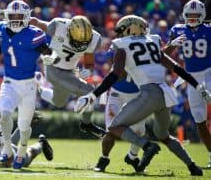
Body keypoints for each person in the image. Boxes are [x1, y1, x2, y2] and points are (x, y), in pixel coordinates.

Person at [75, 15, 211, 176]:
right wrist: (198, 86)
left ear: (131, 28)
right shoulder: (152, 41)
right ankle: (192, 166)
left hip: (148, 94)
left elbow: (115, 74)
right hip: (166, 94)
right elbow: (176, 68)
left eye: (122, 30)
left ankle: (146, 146)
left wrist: (92, 95)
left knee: (114, 127)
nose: (119, 34)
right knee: (164, 135)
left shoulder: (121, 45)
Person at [0, 0, 55, 169]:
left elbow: (46, 51)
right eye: (13, 16)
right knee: (4, 115)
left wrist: (50, 57)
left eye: (20, 16)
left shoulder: (34, 33)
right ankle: (7, 149)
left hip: (28, 86)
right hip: (9, 83)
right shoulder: (0, 29)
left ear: (27, 17)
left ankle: (22, 151)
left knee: (24, 125)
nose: (16, 19)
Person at [30, 15, 105, 138]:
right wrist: (21, 21)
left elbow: (89, 61)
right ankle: (86, 124)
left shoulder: (95, 38)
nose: (79, 44)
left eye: (83, 42)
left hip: (69, 71)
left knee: (58, 102)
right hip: (53, 69)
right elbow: (36, 22)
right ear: (69, 30)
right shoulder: (58, 26)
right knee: (90, 92)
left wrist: (88, 70)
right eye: (77, 41)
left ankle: (39, 88)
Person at [168, 0, 211, 168]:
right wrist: (172, 44)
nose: (192, 18)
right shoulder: (177, 30)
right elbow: (163, 55)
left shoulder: (208, 31)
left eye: (196, 15)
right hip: (191, 77)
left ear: (203, 16)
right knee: (199, 119)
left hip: (209, 73)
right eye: (190, 15)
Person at [94, 77, 145, 172]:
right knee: (111, 129)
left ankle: (132, 157)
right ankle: (104, 159)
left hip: (137, 94)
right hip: (116, 93)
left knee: (139, 131)